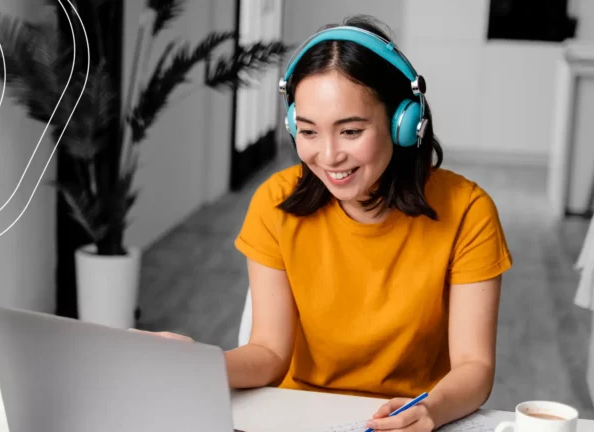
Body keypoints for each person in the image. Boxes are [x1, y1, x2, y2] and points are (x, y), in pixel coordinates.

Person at [133, 14, 512, 431]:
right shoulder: (274, 204)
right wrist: (200, 364)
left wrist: (431, 410)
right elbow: (269, 353)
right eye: (309, 132)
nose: (328, 157)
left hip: (406, 419)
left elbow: (474, 367)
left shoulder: (468, 210)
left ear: (404, 124)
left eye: (350, 131)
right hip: (299, 415)